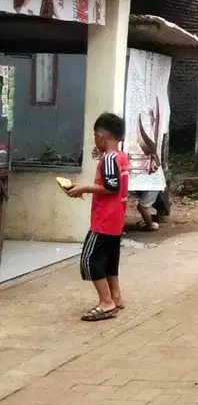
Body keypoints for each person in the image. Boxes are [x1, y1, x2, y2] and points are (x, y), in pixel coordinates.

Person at [66, 112, 130, 321]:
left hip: (104, 218)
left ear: (100, 136)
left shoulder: (109, 159)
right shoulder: (120, 157)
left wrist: (83, 188)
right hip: (116, 217)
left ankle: (106, 302)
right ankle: (116, 297)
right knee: (110, 259)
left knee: (90, 259)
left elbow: (111, 186)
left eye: (96, 137)